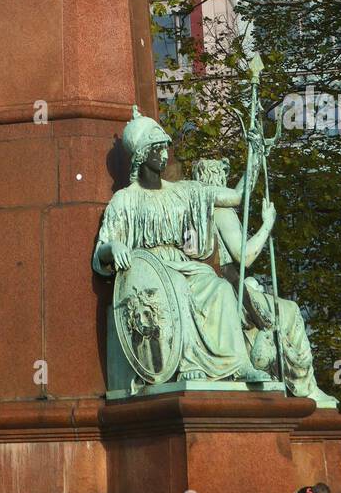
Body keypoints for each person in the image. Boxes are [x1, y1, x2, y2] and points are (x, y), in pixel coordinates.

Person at [93, 108, 271, 383]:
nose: (164, 155)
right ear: (141, 155)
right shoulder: (125, 200)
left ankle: (238, 364)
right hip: (151, 270)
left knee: (220, 288)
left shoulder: (184, 191)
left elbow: (236, 196)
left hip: (182, 263)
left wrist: (256, 156)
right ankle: (186, 363)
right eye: (156, 150)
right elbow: (102, 249)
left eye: (165, 148)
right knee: (178, 289)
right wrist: (115, 247)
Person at [192, 157, 337, 406]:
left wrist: (255, 159)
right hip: (229, 285)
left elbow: (240, 192)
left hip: (214, 286)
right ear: (217, 179)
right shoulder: (221, 210)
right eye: (223, 176)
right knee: (290, 310)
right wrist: (267, 223)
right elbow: (244, 256)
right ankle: (305, 386)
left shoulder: (196, 207)